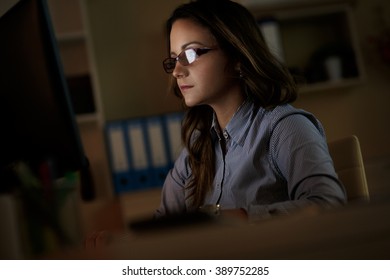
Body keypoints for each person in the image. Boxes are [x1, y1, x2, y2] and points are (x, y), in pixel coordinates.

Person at [155, 0, 346, 222]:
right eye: (174, 59)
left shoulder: (285, 128)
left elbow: (329, 203)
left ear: (237, 58)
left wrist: (239, 218)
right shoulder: (196, 147)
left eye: (189, 54)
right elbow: (163, 226)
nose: (177, 71)